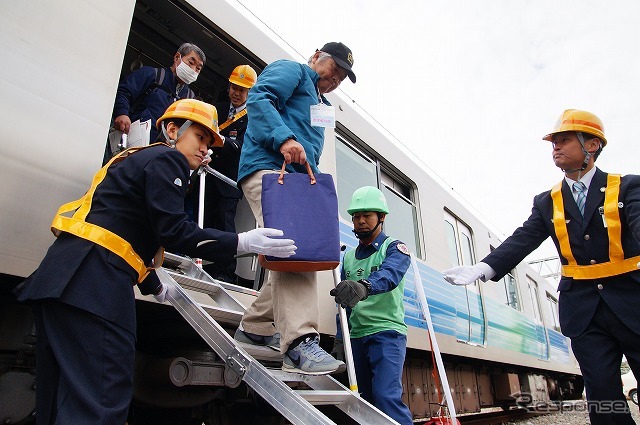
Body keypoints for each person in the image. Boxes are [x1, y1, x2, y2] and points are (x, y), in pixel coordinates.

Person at [15, 99, 296, 425]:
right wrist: (240, 242)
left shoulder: (134, 158)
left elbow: (126, 224)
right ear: (173, 130)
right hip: (96, 287)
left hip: (61, 279)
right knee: (101, 401)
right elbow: (174, 230)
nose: (205, 149)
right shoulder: (168, 159)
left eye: (209, 143)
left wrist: (152, 282)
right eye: (200, 137)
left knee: (57, 402)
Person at [442, 109, 640, 425]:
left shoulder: (628, 187)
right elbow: (524, 239)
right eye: (553, 143)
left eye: (563, 141)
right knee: (603, 397)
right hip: (584, 311)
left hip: (632, 301)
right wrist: (483, 268)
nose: (555, 148)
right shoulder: (548, 201)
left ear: (591, 145)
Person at [232, 42, 356, 375]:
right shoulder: (294, 70)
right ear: (317, 56)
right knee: (294, 249)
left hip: (296, 183)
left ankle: (254, 329)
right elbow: (260, 98)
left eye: (341, 78)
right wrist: (284, 138)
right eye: (333, 70)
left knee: (294, 252)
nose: (334, 80)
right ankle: (300, 343)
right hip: (270, 170)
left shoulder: (322, 104)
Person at [330, 186, 414, 425]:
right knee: (362, 401)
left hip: (386, 333)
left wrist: (364, 286)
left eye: (367, 215)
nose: (361, 221)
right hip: (356, 337)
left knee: (386, 397)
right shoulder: (347, 257)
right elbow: (343, 303)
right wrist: (339, 339)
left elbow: (390, 275)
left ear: (382, 217)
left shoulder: (395, 249)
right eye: (356, 217)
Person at [191, 65, 258, 284]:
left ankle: (225, 271)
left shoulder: (254, 118)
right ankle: (199, 260)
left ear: (250, 93)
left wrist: (216, 144)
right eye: (234, 87)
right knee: (203, 218)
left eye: (242, 90)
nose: (237, 93)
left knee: (225, 223)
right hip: (206, 176)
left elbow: (241, 146)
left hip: (229, 180)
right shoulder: (215, 109)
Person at [104, 42, 206, 163]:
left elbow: (191, 131)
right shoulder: (152, 75)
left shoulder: (190, 100)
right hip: (130, 145)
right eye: (191, 62)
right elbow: (124, 91)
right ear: (177, 57)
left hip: (159, 157)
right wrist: (122, 113)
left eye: (198, 69)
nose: (193, 69)